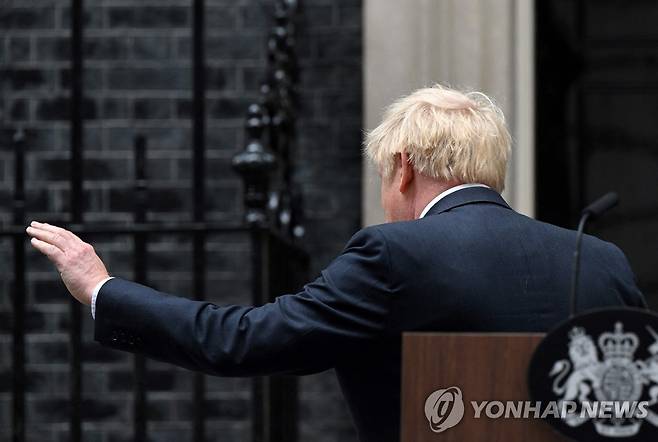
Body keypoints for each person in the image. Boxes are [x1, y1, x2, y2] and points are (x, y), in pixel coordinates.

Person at [26, 85, 645, 442]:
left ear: (403, 167)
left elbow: (244, 341)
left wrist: (103, 288)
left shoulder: (393, 253)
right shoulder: (602, 259)